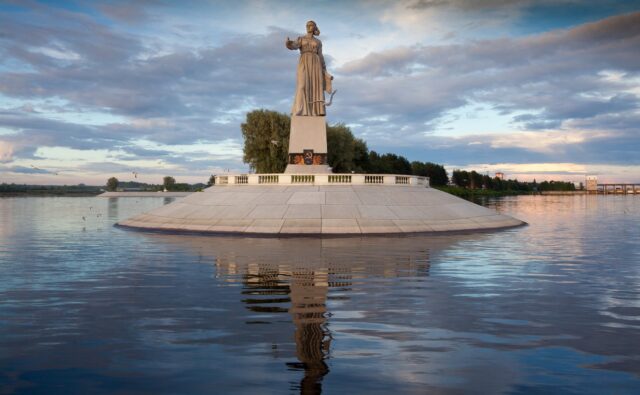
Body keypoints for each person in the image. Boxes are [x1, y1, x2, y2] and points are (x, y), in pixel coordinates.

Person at [285, 21, 332, 116]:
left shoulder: (318, 42)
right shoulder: (301, 39)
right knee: (302, 85)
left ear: (314, 28)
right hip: (304, 62)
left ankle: (315, 111)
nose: (308, 27)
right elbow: (294, 45)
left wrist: (324, 70)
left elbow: (321, 56)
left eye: (310, 25)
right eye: (307, 25)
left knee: (315, 86)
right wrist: (288, 43)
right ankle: (300, 109)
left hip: (316, 63)